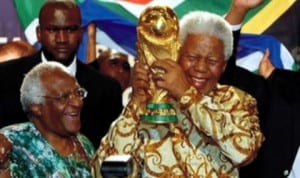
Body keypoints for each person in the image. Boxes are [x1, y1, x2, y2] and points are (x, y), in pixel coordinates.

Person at [91, 10, 264, 178]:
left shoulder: (237, 101)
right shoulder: (152, 101)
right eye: (192, 57)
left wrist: (186, 95)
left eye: (212, 61)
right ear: (177, 54)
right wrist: (135, 104)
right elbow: (103, 170)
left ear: (224, 66)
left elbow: (244, 152)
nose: (201, 68)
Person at [0, 0, 123, 148]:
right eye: (53, 30)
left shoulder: (107, 90)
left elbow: (112, 152)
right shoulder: (5, 78)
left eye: (70, 30)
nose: (62, 39)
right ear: (39, 33)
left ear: (80, 33)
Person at [0, 62, 95, 178]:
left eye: (78, 93)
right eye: (63, 97)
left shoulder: (84, 144)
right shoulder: (13, 143)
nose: (78, 102)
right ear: (36, 107)